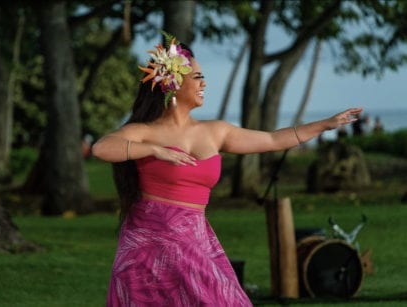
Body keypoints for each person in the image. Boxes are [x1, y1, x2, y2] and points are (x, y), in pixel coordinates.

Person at [92, 33, 363, 306]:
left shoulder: (215, 131)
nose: (204, 83)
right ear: (172, 83)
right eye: (197, 77)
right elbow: (102, 148)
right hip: (148, 243)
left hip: (193, 240)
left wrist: (324, 125)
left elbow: (271, 140)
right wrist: (153, 150)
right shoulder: (143, 132)